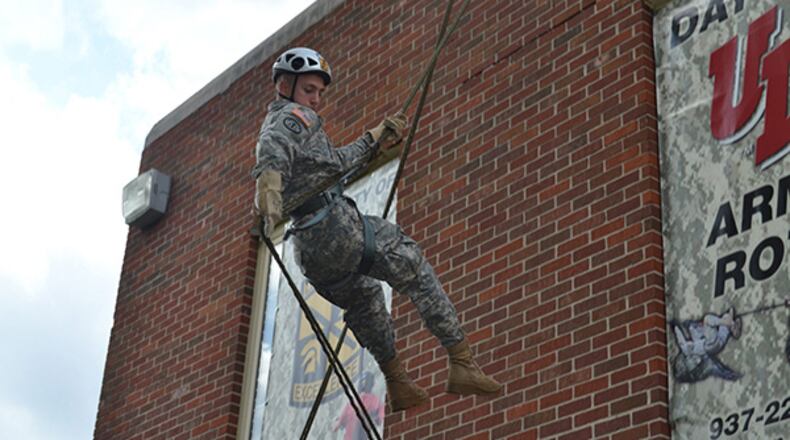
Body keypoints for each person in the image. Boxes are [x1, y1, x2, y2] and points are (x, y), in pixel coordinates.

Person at [252, 47, 502, 411]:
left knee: (366, 301)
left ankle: (398, 383)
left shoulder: (298, 125)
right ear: (285, 85)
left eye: (319, 93)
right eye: (309, 89)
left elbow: (334, 165)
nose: (316, 100)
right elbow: (273, 148)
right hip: (337, 231)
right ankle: (461, 361)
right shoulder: (294, 117)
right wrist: (268, 185)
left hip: (312, 254)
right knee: (410, 261)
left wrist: (374, 139)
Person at [333, 372, 385, 440]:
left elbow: (380, 418)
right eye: (363, 382)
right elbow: (337, 425)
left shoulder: (375, 401)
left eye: (366, 382)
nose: (364, 385)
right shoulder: (352, 403)